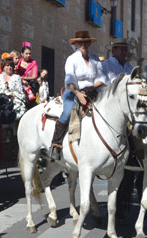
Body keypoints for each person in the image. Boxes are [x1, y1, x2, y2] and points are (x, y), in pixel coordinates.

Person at [50, 31, 105, 160]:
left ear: (89, 43)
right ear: (76, 43)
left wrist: (92, 87)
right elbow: (69, 81)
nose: (83, 44)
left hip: (93, 92)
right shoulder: (72, 59)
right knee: (68, 112)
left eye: (86, 42)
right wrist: (78, 93)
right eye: (80, 42)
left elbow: (102, 77)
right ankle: (55, 144)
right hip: (73, 92)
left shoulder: (95, 58)